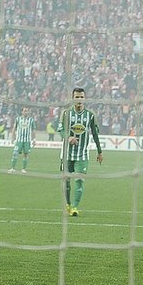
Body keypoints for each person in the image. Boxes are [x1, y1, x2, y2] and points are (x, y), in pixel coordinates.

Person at [58, 87, 103, 217]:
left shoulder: (90, 115)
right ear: (73, 98)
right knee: (66, 180)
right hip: (66, 154)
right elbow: (60, 130)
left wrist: (99, 152)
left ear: (85, 99)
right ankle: (67, 204)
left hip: (82, 154)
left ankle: (75, 207)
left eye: (81, 97)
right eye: (77, 97)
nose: (79, 99)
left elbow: (94, 133)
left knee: (79, 180)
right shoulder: (66, 113)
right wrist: (68, 137)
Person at [8, 106, 36, 174]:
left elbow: (33, 130)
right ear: (22, 112)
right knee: (15, 153)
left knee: (25, 154)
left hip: (27, 140)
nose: (26, 112)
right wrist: (12, 137)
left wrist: (34, 139)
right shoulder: (18, 119)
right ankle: (12, 168)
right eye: (24, 111)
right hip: (19, 140)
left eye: (27, 111)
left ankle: (23, 169)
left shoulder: (31, 120)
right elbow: (14, 128)